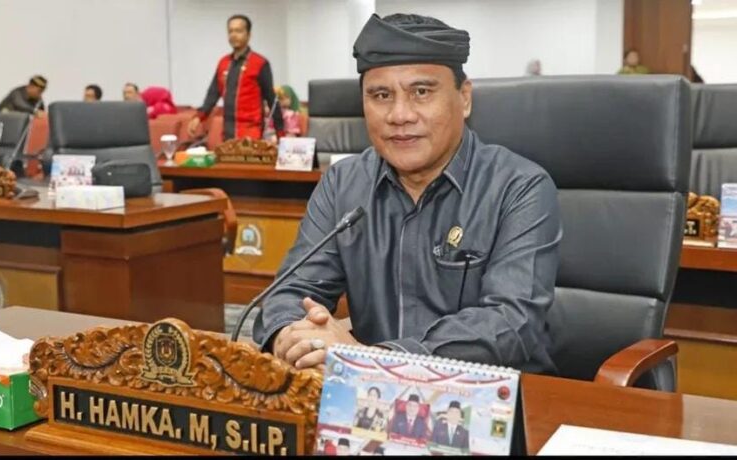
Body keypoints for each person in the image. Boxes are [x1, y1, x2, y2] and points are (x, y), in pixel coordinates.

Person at [252, 13, 561, 375]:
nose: (399, 115)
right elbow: (291, 291)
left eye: (421, 92)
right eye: (381, 95)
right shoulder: (342, 183)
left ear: (464, 98)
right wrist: (291, 336)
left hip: (491, 398)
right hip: (367, 397)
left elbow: (511, 323)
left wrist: (376, 360)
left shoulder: (519, 186)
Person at [187, 14, 284, 141]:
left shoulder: (260, 63)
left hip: (251, 135)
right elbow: (213, 94)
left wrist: (281, 134)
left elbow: (272, 100)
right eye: (230, 31)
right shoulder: (223, 63)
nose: (233, 35)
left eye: (238, 31)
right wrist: (198, 117)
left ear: (249, 35)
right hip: (227, 133)